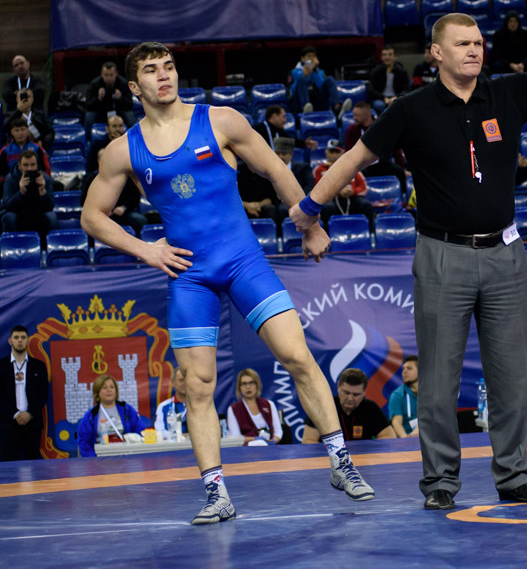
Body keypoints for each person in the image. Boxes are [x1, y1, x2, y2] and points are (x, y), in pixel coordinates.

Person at [289, 0, 527, 511]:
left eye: (478, 43)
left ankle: (514, 477)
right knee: (438, 379)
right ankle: (440, 483)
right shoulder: (411, 110)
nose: (475, 50)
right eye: (462, 44)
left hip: (505, 254)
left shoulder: (506, 93)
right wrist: (310, 212)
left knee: (508, 376)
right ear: (436, 53)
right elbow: (354, 158)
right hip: (442, 255)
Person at [80, 41, 372, 525]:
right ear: (134, 86)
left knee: (298, 356)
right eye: (151, 70)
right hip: (189, 275)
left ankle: (341, 462)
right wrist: (146, 249)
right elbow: (92, 216)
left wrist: (311, 225)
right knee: (198, 386)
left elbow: (275, 168)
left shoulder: (220, 121)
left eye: (169, 66)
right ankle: (216, 493)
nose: (163, 76)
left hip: (242, 262)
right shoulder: (122, 150)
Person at [302, 369, 396, 442]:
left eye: (356, 395)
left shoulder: (371, 408)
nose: (350, 398)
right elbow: (308, 440)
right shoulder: (323, 407)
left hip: (363, 458)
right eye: (346, 392)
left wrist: (366, 450)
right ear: (338, 386)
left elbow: (389, 437)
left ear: (364, 392)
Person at [1, 325, 47, 461]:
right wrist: (15, 414)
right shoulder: (1, 366)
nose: (19, 340)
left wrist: (29, 413)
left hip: (32, 423)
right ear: (10, 341)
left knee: (32, 464)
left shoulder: (39, 366)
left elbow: (43, 395)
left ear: (28, 340)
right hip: (8, 423)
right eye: (16, 337)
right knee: (8, 466)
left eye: (23, 337)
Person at [343, 102, 408, 193]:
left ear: (366, 115)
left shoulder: (383, 127)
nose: (354, 118)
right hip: (364, 167)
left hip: (383, 164)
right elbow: (348, 151)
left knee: (399, 172)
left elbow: (396, 149)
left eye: (357, 115)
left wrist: (403, 168)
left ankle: (404, 197)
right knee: (357, 175)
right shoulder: (352, 130)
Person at [81, 147, 147, 236]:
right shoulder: (89, 178)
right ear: (98, 160)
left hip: (121, 214)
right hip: (99, 216)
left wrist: (123, 208)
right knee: (88, 223)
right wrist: (98, 211)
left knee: (140, 220)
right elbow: (83, 201)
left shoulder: (125, 176)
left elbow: (135, 197)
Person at [76, 374, 146, 458]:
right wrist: (94, 460)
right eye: (104, 387)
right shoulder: (91, 415)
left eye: (112, 387)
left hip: (127, 457)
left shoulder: (127, 410)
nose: (109, 390)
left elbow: (141, 431)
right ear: (97, 392)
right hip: (100, 460)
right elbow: (83, 442)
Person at [314, 142, 375, 227]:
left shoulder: (352, 167)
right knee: (328, 208)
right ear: (326, 152)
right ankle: (328, 233)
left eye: (337, 152)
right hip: (331, 199)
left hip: (351, 197)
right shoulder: (319, 170)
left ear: (343, 153)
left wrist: (352, 191)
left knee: (365, 205)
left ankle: (369, 232)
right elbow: (318, 189)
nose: (334, 155)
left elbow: (363, 187)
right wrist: (338, 191)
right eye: (332, 152)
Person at [2, 150, 57, 236]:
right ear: (19, 166)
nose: (29, 168)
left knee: (52, 217)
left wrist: (42, 191)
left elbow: (50, 206)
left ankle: (49, 244)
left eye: (33, 165)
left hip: (38, 215)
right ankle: (10, 243)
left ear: (37, 165)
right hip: (18, 215)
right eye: (25, 165)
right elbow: (8, 206)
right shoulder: (11, 179)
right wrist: (21, 192)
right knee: (9, 217)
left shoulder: (45, 178)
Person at [226, 368, 282, 445]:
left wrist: (273, 441)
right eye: (244, 384)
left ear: (257, 385)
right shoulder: (233, 409)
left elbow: (278, 432)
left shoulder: (269, 404)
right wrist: (254, 439)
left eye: (251, 383)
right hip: (247, 449)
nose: (248, 387)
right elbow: (235, 437)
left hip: (269, 447)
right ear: (239, 387)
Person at [85, 62, 136, 128]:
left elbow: (130, 105)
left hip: (119, 112)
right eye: (106, 75)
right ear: (101, 74)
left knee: (130, 115)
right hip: (101, 113)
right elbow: (88, 106)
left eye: (111, 75)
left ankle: (136, 134)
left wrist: (120, 98)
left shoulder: (123, 83)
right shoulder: (94, 84)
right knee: (89, 115)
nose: (109, 78)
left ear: (116, 73)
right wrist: (98, 99)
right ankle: (87, 135)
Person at [289, 46, 337, 113]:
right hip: (300, 105)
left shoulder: (320, 72)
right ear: (302, 58)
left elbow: (321, 87)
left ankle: (337, 107)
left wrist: (315, 72)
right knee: (302, 79)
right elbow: (292, 92)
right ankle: (306, 108)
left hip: (318, 103)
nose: (311, 58)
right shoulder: (294, 72)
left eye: (314, 56)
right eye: (309, 56)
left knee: (330, 79)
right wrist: (305, 74)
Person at [369, 46, 409, 111]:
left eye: (390, 54)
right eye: (384, 55)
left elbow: (406, 89)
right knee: (379, 105)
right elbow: (371, 89)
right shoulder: (376, 71)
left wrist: (396, 97)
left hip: (396, 97)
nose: (387, 57)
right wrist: (383, 98)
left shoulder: (401, 71)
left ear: (395, 57)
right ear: (381, 57)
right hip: (381, 99)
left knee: (399, 104)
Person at [388, 355, 419, 437]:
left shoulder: (431, 392)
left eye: (409, 368)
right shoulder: (397, 394)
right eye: (403, 369)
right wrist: (406, 439)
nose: (404, 372)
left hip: (430, 439)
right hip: (407, 438)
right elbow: (396, 422)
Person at [154, 367, 188, 438]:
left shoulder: (201, 405)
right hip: (174, 444)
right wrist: (180, 436)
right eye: (181, 380)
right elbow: (159, 432)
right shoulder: (163, 406)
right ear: (172, 382)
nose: (185, 383)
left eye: (187, 380)